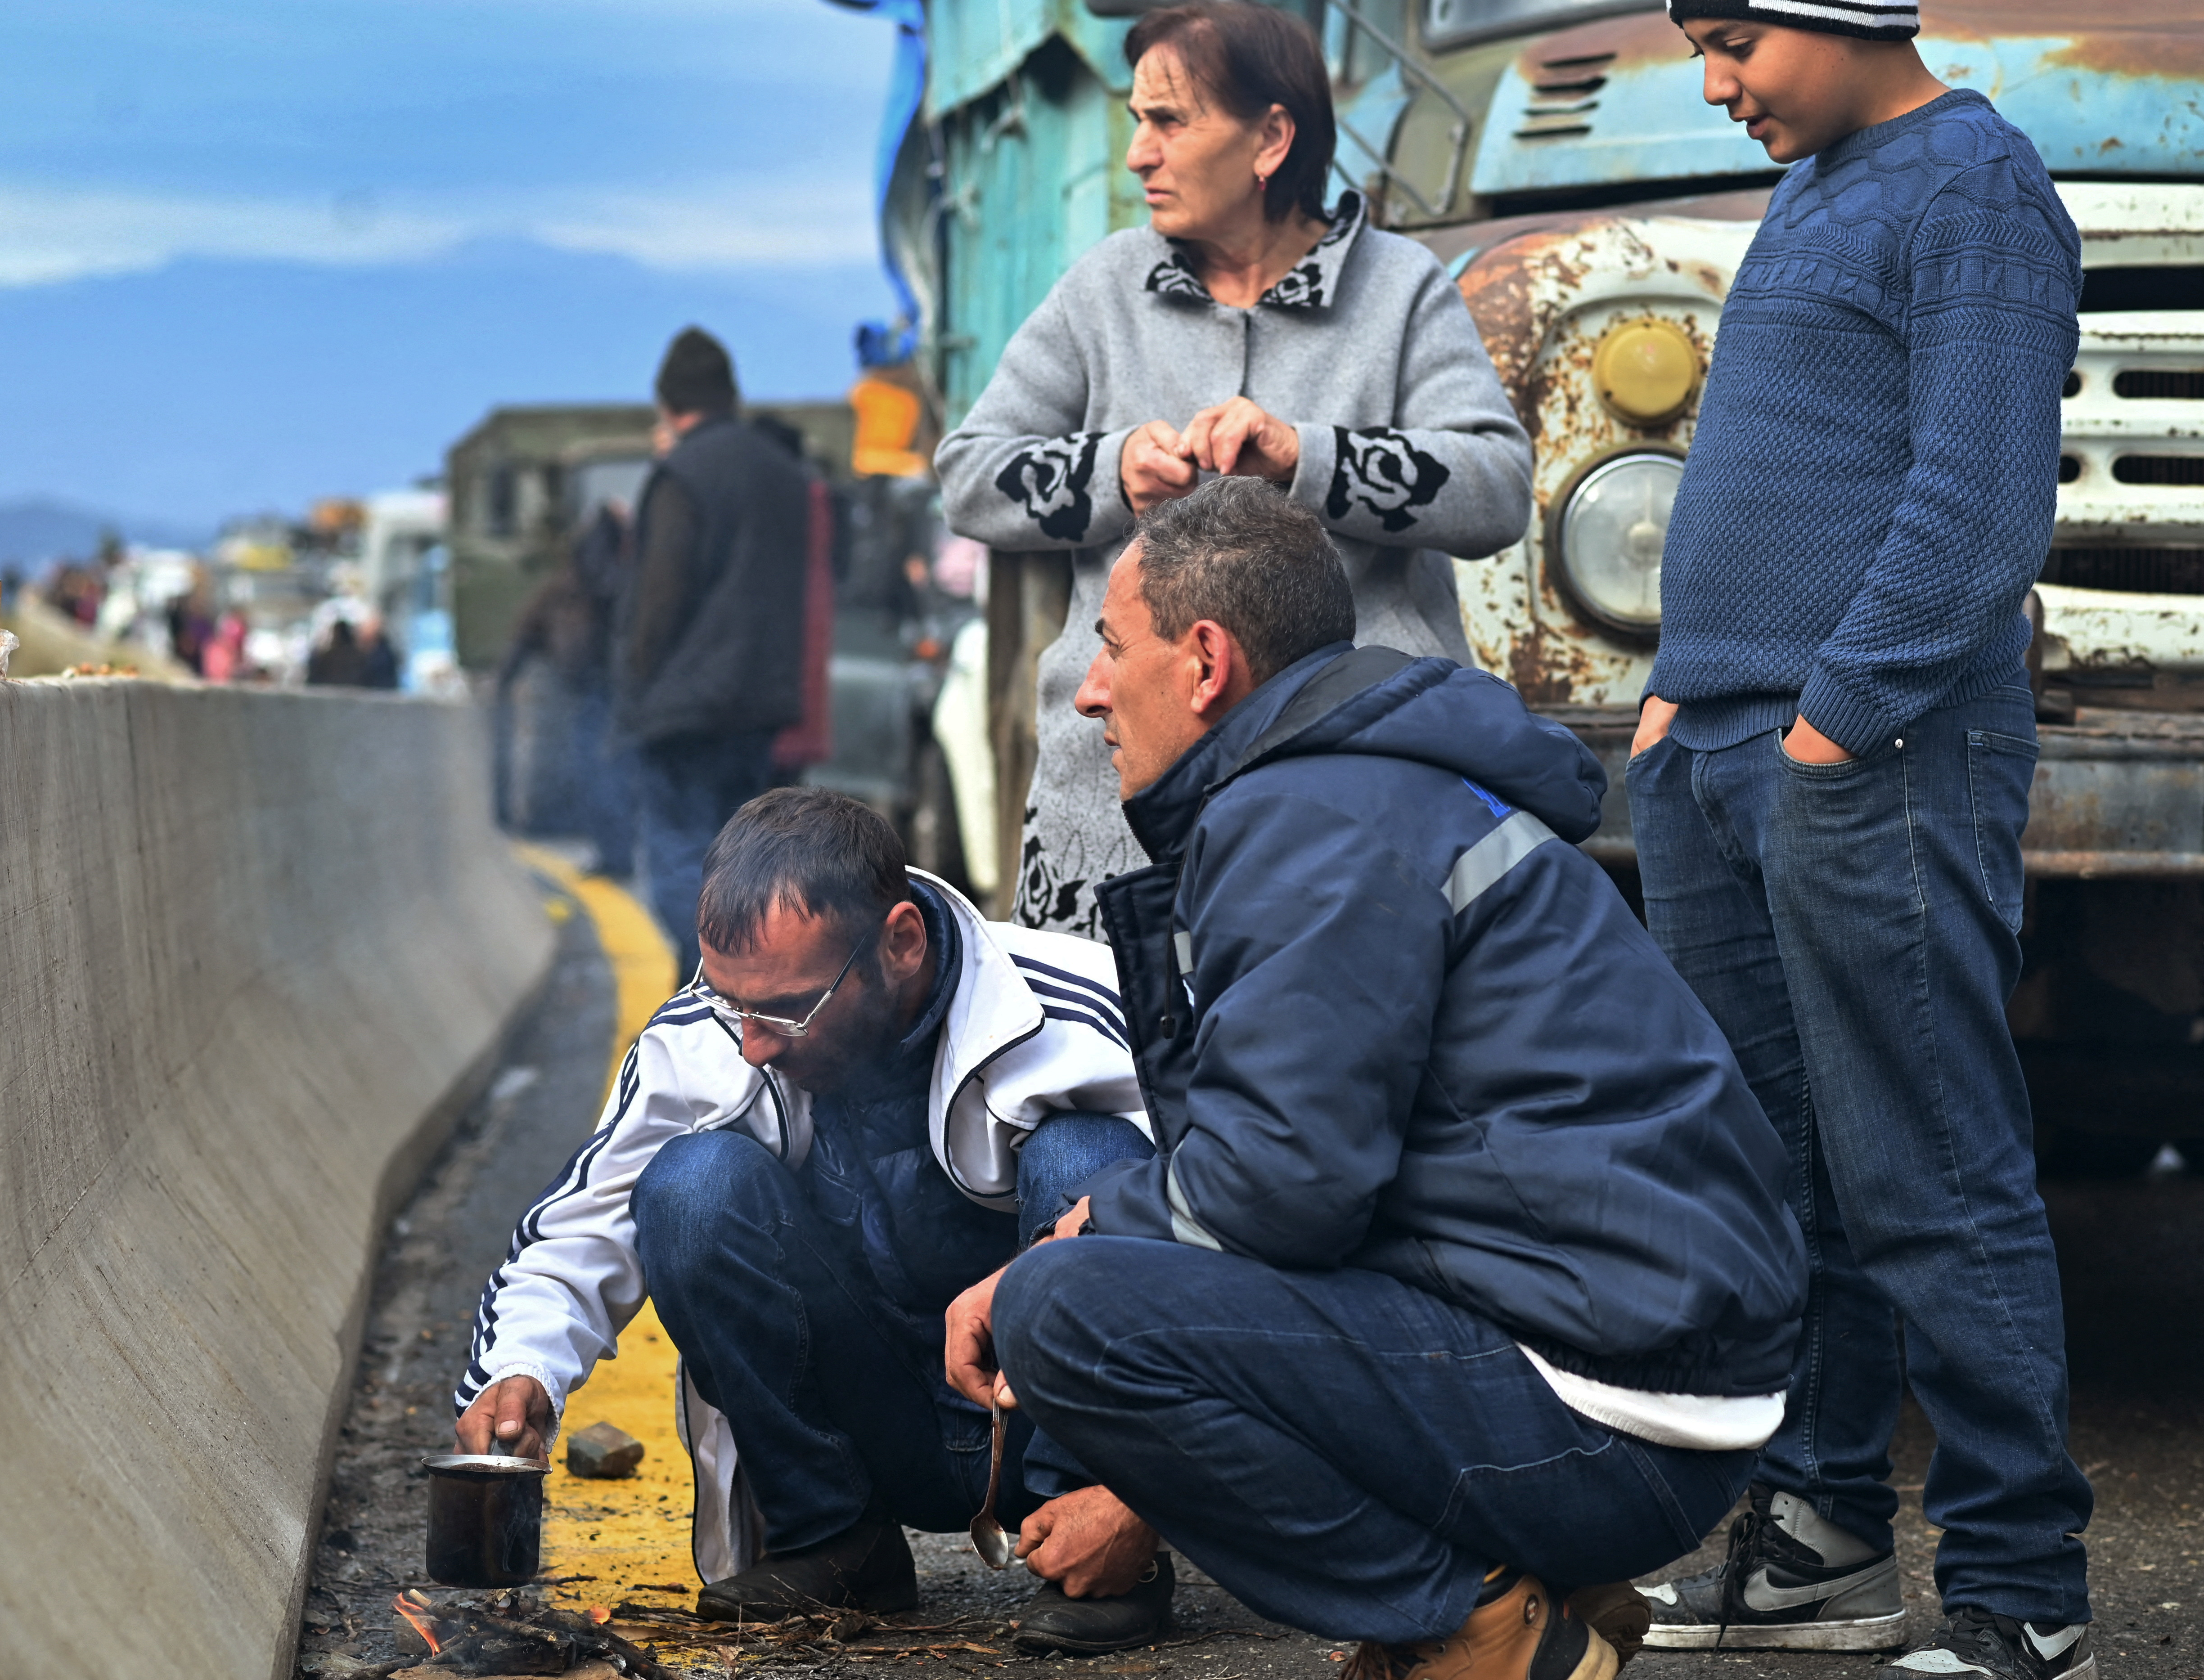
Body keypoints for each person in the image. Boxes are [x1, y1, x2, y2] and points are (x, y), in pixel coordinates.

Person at [944, 479, 1808, 1680]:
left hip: (1607, 1409)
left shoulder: (1310, 816)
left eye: (1111, 645)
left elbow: (1282, 1186)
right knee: (1121, 1269)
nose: (1090, 690)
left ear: (1205, 662)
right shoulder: (1364, 786)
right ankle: (1514, 1587)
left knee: (1065, 1311)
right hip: (1642, 1370)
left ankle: (1474, 1628)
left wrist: (1081, 1233)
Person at [1622, 0, 2093, 1675]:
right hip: (1719, 746)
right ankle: (1819, 1531)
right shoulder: (1821, 179)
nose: (1712, 81)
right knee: (1772, 1166)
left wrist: (1830, 720)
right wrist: (1680, 696)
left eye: (1734, 39)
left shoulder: (1972, 186)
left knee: (1927, 1163)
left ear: (1840, 14)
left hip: (1869, 755)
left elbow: (1978, 509)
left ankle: (2023, 1586)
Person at [454, 790, 1166, 1648]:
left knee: (1090, 1158)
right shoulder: (711, 1033)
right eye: (733, 1003)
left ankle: (1100, 1540)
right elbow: (581, 1221)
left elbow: (1251, 1199)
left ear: (901, 943)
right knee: (690, 1186)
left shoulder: (1086, 1006)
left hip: (1047, 1416)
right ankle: (835, 1541)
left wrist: (1145, 1492)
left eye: (787, 1008)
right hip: (875, 1418)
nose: (751, 1043)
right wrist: (522, 1368)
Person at [936, 0, 1531, 943]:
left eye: (1168, 121)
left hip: (1358, 781)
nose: (1138, 155)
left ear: (1270, 140)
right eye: (1137, 122)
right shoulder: (1104, 288)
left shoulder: (1400, 287)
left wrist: (1306, 457)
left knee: (1338, 1020)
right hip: (1116, 795)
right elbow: (969, 475)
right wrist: (1115, 474)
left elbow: (1497, 487)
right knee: (1108, 1028)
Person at [615, 327, 810, 975]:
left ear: (668, 403)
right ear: (730, 395)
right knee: (745, 865)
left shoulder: (681, 476)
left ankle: (709, 981)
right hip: (761, 703)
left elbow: (658, 599)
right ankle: (748, 987)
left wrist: (634, 691)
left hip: (686, 708)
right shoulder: (784, 474)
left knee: (680, 856)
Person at [498, 502, 638, 871]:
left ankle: (615, 852)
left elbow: (524, 635)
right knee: (605, 772)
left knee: (602, 771)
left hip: (603, 689)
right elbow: (527, 634)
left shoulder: (573, 587)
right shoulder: (611, 583)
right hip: (602, 689)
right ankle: (615, 851)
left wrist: (504, 681)